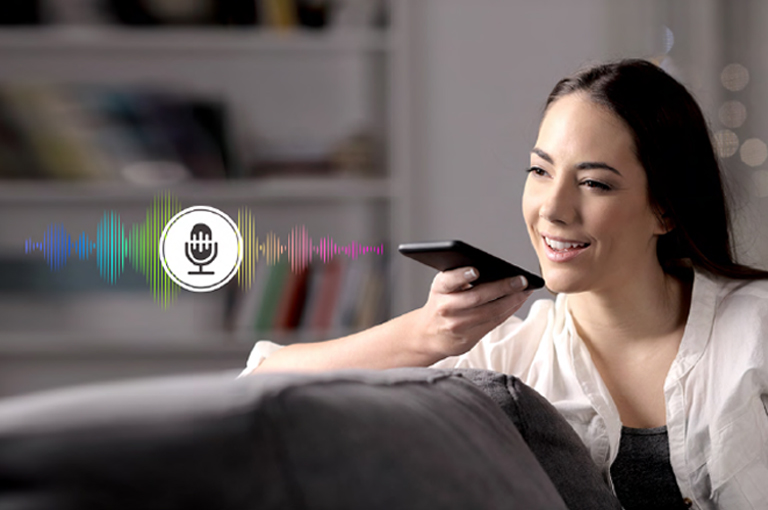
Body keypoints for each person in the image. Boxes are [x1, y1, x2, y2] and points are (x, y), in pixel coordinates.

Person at [241, 59, 768, 509]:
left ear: (665, 209)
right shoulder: (507, 362)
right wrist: (427, 335)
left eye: (593, 183)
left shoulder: (755, 329)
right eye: (540, 172)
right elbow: (260, 385)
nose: (553, 211)